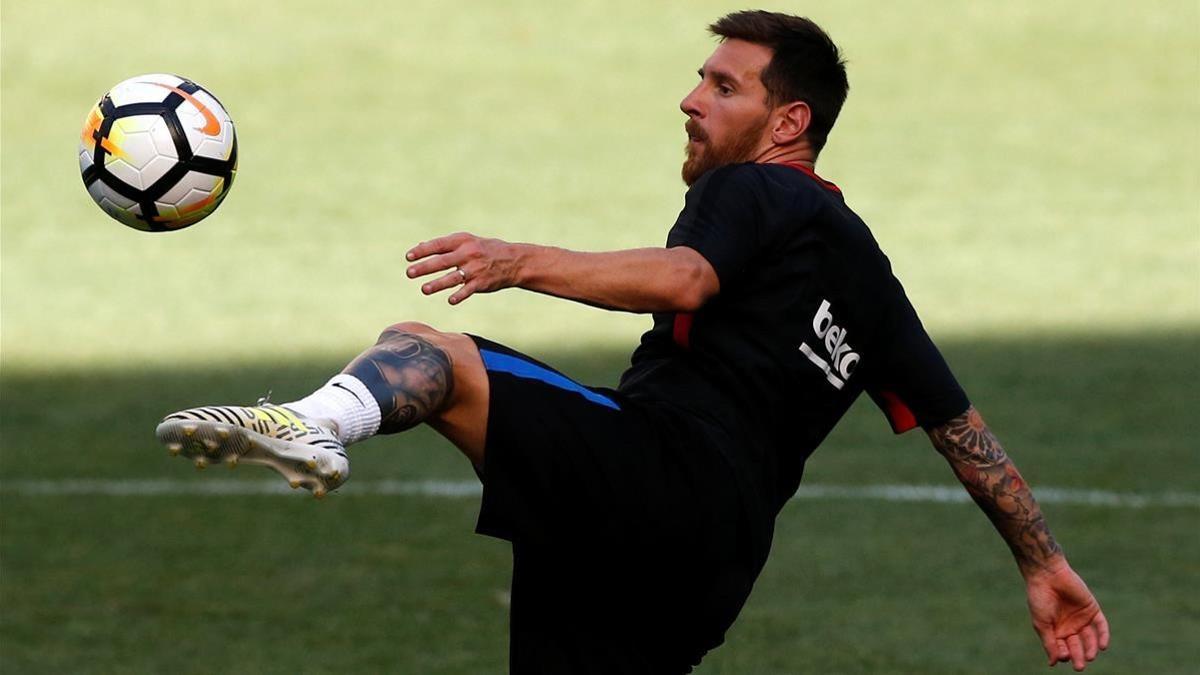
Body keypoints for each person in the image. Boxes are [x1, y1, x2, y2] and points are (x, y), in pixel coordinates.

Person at [156, 10, 1110, 673]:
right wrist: (1042, 562)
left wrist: (517, 257)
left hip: (662, 471)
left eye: (722, 86)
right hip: (710, 563)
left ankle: (316, 422)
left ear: (790, 122)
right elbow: (962, 429)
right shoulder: (869, 277)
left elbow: (687, 277)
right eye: (699, 79)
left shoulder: (758, 189)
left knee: (432, 350)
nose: (691, 100)